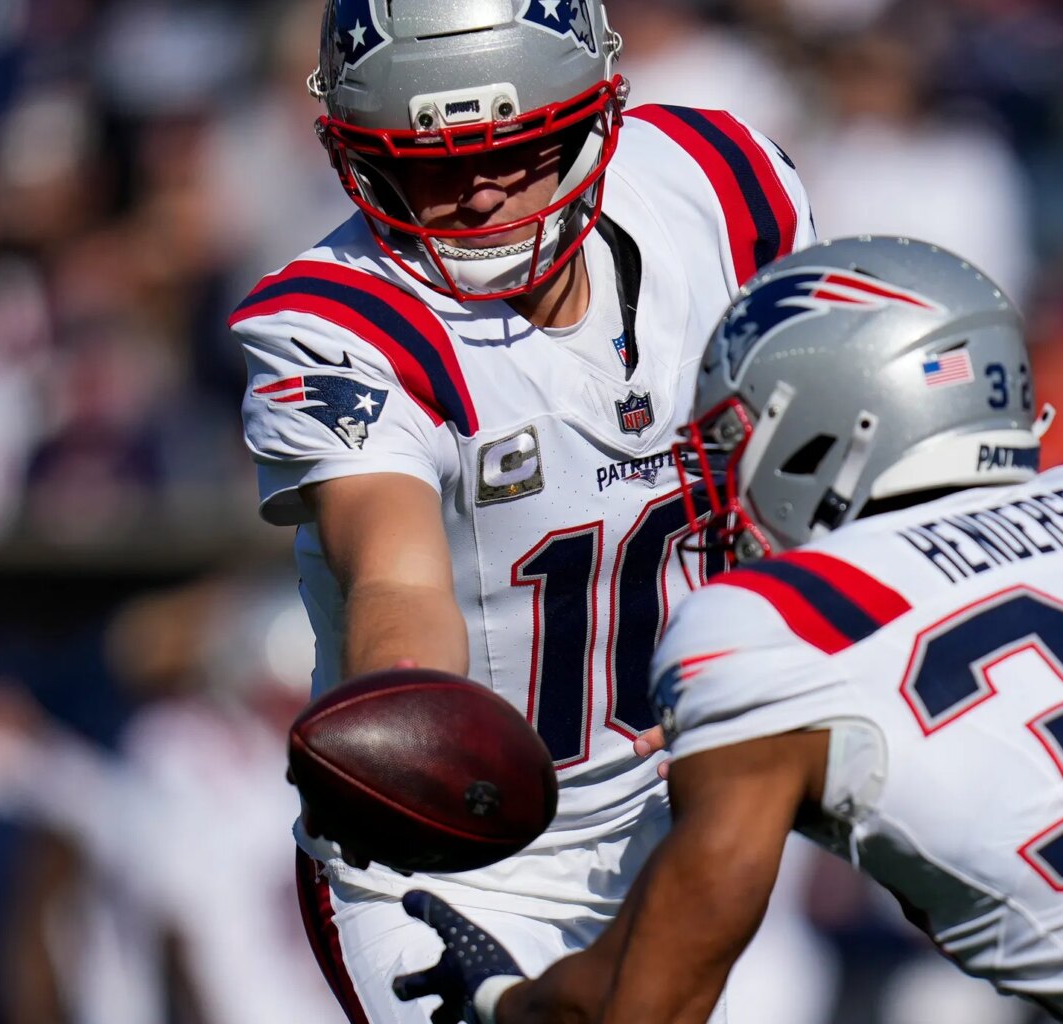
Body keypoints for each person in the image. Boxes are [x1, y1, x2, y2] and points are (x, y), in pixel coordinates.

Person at [394, 237, 1063, 1023]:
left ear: (831, 426)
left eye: (736, 440)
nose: (725, 483)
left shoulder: (774, 623)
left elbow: (657, 1000)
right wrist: (514, 999)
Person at [229, 1, 816, 1021]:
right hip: (465, 862)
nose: (481, 191)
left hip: (704, 810)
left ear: (595, 111)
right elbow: (396, 578)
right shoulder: (335, 324)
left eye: (517, 147)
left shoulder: (721, 189)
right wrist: (410, 719)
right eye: (430, 161)